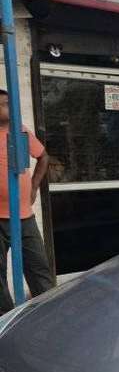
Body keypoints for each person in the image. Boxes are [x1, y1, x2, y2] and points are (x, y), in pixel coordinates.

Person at [0, 89, 53, 313]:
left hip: (23, 216)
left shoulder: (20, 131)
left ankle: (49, 311)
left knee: (38, 267)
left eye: (9, 103)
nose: (8, 107)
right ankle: (6, 317)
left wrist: (33, 187)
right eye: (3, 104)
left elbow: (43, 157)